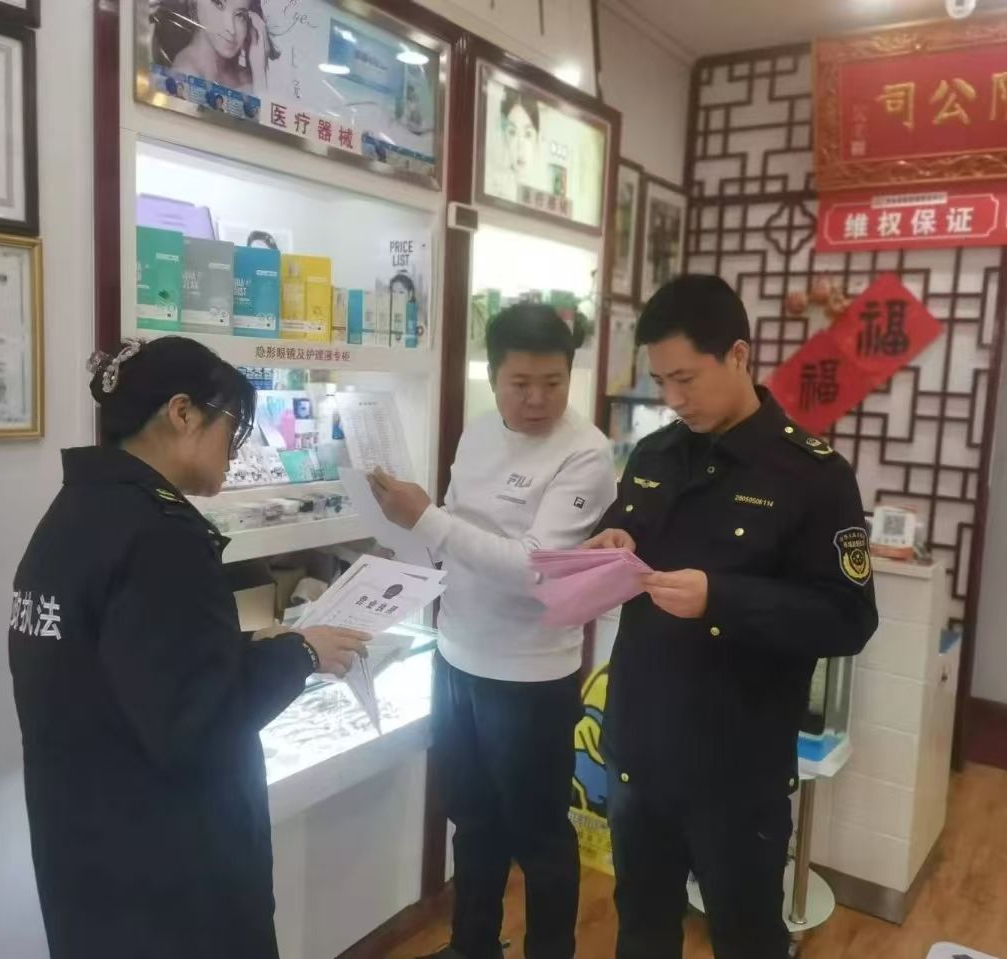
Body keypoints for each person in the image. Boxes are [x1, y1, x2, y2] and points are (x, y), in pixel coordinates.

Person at [9, 337, 369, 959]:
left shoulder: (78, 510)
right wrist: (301, 654)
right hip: (172, 879)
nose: (239, 447)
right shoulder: (161, 535)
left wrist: (250, 642)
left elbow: (127, 657)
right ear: (182, 413)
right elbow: (198, 723)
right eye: (234, 425)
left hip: (86, 854)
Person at [586, 275, 879, 959]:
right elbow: (625, 537)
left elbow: (848, 618)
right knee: (641, 931)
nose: (673, 398)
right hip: (640, 752)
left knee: (747, 939)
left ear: (739, 355)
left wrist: (722, 599)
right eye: (662, 380)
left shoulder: (814, 475)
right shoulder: (654, 455)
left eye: (686, 378)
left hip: (737, 770)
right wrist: (610, 543)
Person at [367, 303, 617, 959]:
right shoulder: (478, 433)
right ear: (493, 374)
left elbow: (535, 567)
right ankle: (472, 945)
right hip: (456, 655)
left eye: (553, 382)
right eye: (519, 383)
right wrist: (409, 547)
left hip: (531, 675)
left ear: (570, 374)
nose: (536, 399)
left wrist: (427, 520)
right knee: (472, 817)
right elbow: (457, 533)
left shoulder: (587, 453)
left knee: (539, 835)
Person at [164, 0, 273, 93]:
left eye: (240, 15)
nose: (231, 29)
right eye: (219, 4)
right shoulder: (185, 75)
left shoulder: (244, 75)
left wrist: (258, 70)